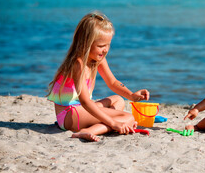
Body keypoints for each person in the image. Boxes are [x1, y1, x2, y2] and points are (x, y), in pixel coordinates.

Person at [47, 12, 150, 142]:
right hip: (69, 115)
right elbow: (85, 101)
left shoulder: (98, 59)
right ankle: (88, 131)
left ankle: (107, 123)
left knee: (118, 100)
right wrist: (113, 123)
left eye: (108, 45)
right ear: (86, 44)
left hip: (81, 110)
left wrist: (132, 96)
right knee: (128, 118)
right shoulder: (78, 64)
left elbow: (112, 82)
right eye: (101, 46)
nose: (106, 50)